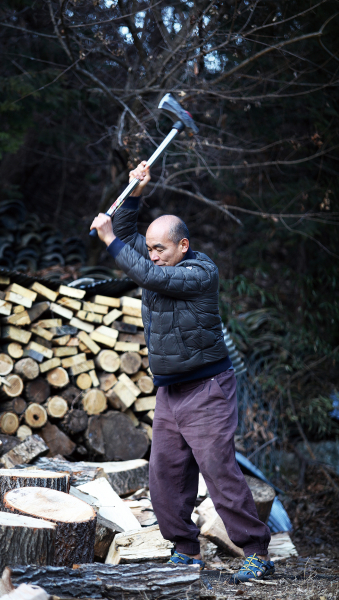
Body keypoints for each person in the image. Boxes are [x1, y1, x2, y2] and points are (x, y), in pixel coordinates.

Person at [90, 161, 275, 583]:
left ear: (183, 246)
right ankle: (185, 550)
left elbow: (148, 274)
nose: (152, 254)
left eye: (160, 249)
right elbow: (124, 227)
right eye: (149, 247)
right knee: (165, 474)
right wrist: (136, 190)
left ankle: (256, 551)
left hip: (207, 387)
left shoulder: (197, 272)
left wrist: (110, 243)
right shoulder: (160, 258)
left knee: (219, 469)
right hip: (170, 391)